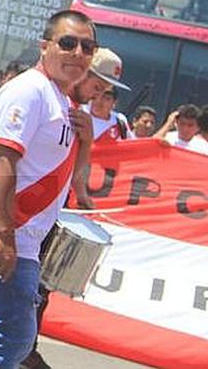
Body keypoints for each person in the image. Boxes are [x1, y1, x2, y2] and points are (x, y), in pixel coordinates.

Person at [0, 9, 96, 367]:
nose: (78, 54)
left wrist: (85, 141)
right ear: (45, 46)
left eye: (87, 47)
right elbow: (3, 160)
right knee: (16, 336)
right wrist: (5, 234)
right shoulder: (30, 91)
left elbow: (68, 176)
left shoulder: (62, 99)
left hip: (22, 236)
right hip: (9, 235)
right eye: (68, 43)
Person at [21, 46, 125, 369]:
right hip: (24, 214)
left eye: (106, 91)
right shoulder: (49, 100)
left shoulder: (79, 115)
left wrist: (88, 142)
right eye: (98, 85)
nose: (100, 94)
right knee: (21, 291)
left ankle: (26, 345)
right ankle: (19, 347)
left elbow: (75, 173)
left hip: (51, 212)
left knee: (42, 285)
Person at [81, 49, 133, 145]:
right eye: (97, 87)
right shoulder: (77, 112)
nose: (97, 98)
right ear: (84, 75)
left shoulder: (120, 121)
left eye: (107, 97)